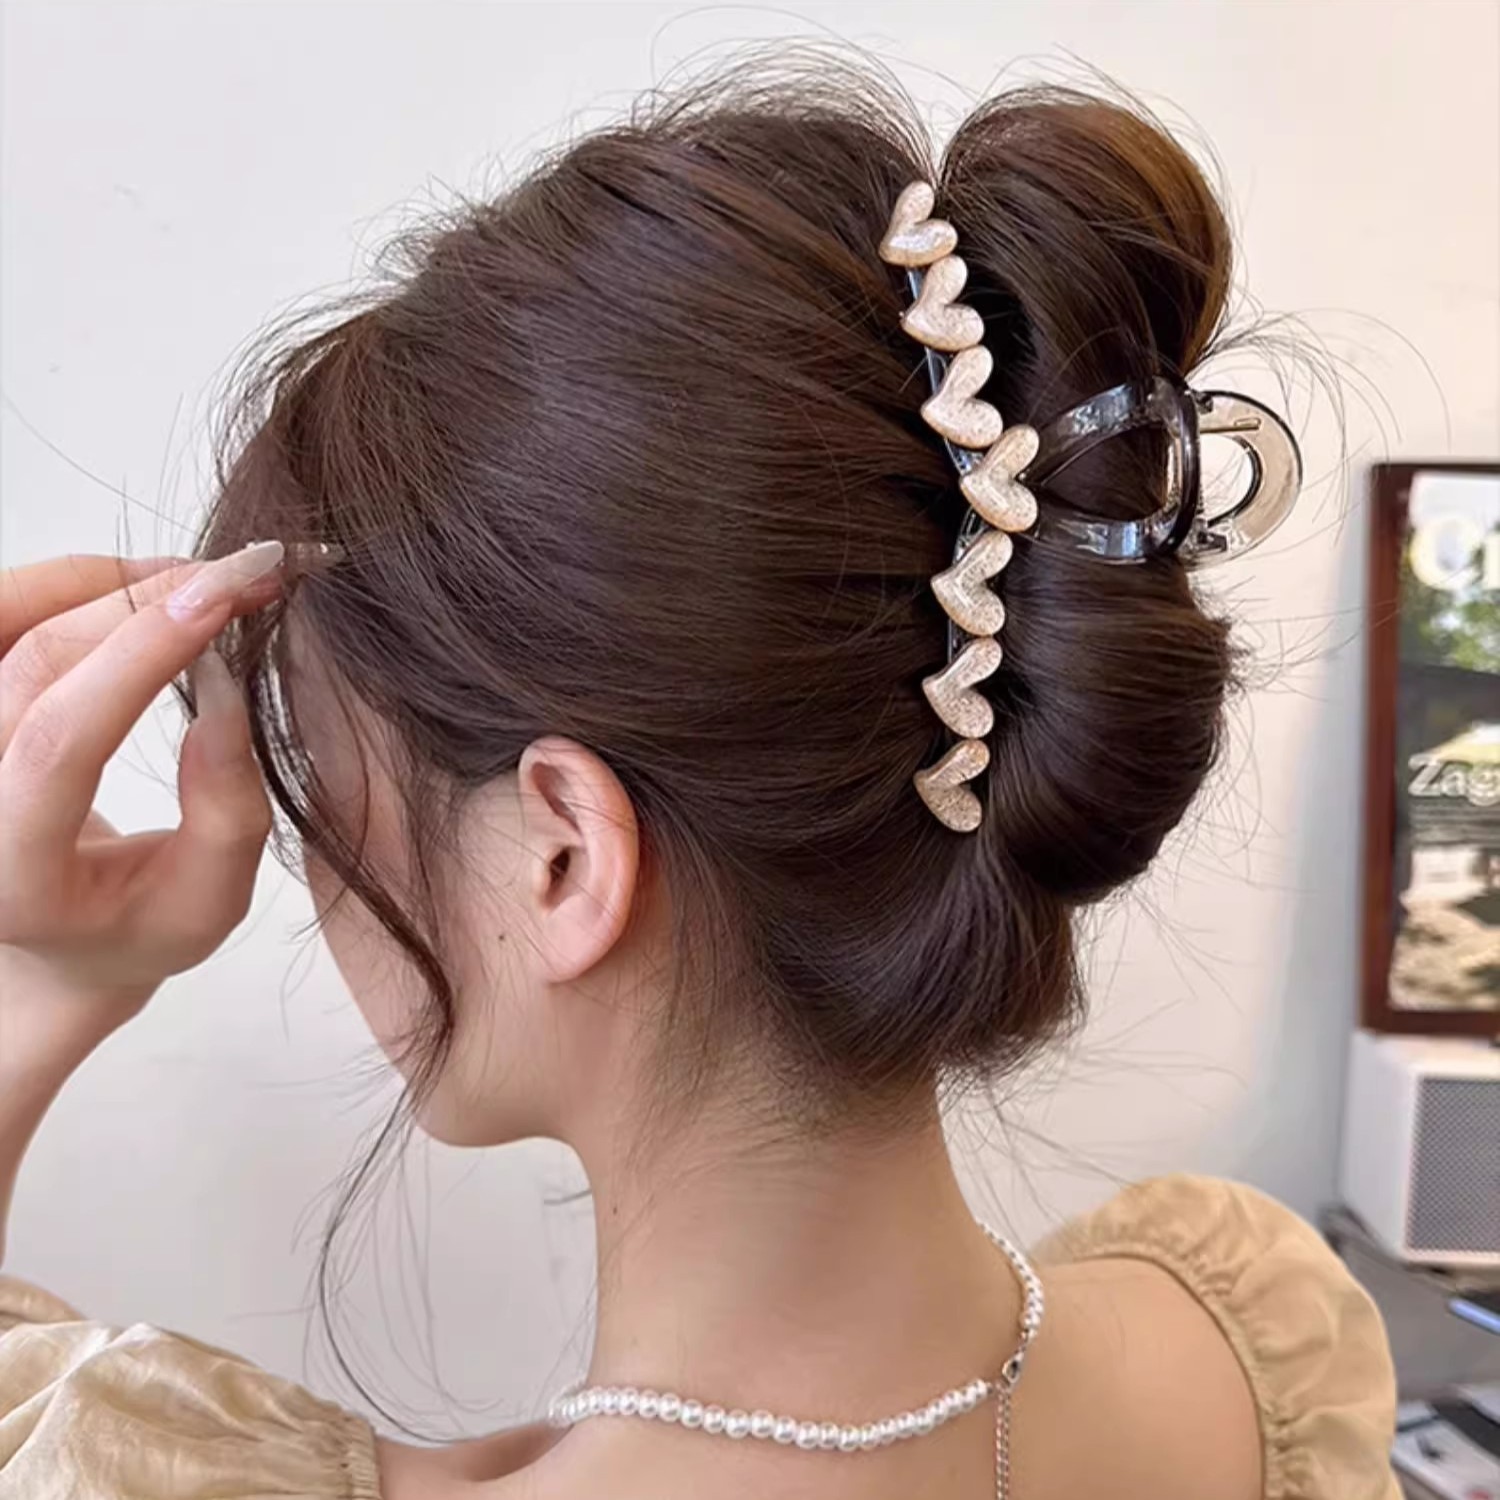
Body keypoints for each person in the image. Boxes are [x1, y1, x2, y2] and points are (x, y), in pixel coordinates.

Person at [0, 64, 1399, 1500]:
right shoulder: (1250, 1348)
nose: (318, 872)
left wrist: (36, 990)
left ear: (563, 855)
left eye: (320, 780)